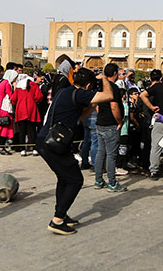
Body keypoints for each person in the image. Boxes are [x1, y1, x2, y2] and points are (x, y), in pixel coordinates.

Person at [37, 67, 114, 235]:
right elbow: (109, 96)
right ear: (88, 85)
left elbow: (78, 117)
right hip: (54, 144)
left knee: (64, 178)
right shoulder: (80, 94)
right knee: (75, 180)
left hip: (48, 141)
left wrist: (92, 106)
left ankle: (61, 215)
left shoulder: (65, 92)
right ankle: (57, 221)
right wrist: (105, 79)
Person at [93, 63, 125, 191]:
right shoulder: (113, 88)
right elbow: (114, 106)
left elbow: (96, 104)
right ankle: (112, 182)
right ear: (115, 74)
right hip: (110, 124)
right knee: (111, 155)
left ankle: (98, 180)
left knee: (101, 153)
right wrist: (119, 122)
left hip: (100, 123)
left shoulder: (100, 87)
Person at [14, 72, 43, 156]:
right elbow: (39, 97)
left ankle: (22, 149)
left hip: (21, 109)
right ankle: (34, 148)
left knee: (21, 130)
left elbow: (14, 98)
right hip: (31, 108)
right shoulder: (34, 86)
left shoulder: (19, 87)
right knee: (32, 129)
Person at [0, 69, 18, 154]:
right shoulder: (7, 84)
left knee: (1, 126)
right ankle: (1, 148)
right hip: (5, 108)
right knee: (5, 127)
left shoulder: (1, 82)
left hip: (0, 106)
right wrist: (15, 88)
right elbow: (12, 96)